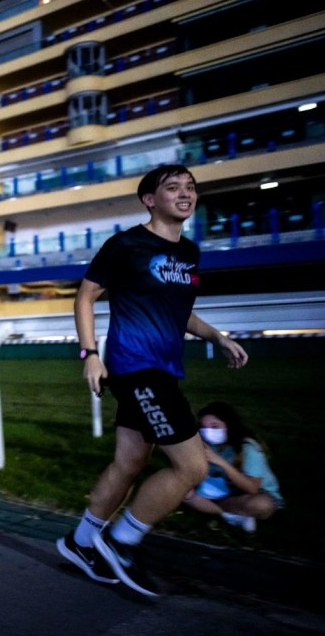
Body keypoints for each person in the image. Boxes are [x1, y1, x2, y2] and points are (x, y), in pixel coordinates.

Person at [57, 164, 249, 597]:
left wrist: (216, 335)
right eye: (173, 187)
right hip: (135, 368)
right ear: (149, 199)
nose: (185, 193)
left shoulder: (190, 253)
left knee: (130, 463)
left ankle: (82, 542)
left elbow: (179, 313)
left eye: (190, 188)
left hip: (162, 370)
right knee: (192, 466)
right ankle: (122, 543)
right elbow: (85, 295)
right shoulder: (126, 244)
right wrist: (89, 354)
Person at [183, 401, 283, 532]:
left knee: (262, 504)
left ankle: (214, 510)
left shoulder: (248, 448)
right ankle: (228, 516)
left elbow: (252, 488)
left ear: (228, 425)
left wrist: (218, 460)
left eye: (215, 426)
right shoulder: (207, 444)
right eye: (204, 427)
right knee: (181, 489)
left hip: (252, 495)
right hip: (223, 493)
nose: (208, 432)